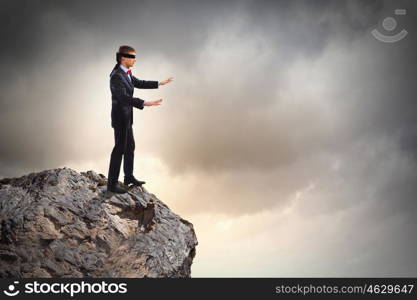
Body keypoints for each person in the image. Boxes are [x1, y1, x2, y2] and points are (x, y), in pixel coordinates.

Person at [107, 45, 173, 194]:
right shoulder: (116, 76)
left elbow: (139, 83)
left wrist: (159, 83)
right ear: (123, 58)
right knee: (119, 150)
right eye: (132, 57)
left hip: (127, 117)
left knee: (130, 147)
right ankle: (111, 185)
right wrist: (144, 103)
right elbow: (123, 97)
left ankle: (128, 177)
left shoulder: (127, 73)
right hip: (120, 119)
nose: (135, 60)